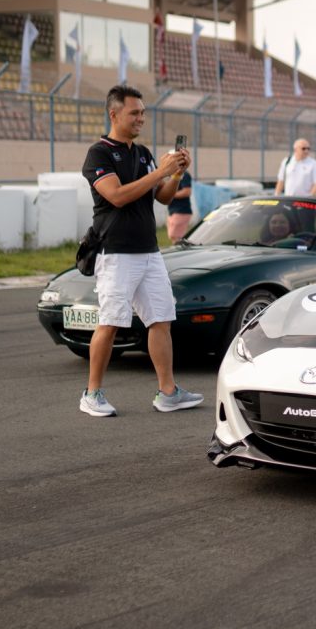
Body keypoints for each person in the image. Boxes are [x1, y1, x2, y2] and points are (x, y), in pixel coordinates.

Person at [78, 85, 204, 417]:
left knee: (161, 319)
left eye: (143, 113)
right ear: (114, 114)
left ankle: (168, 392)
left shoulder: (144, 153)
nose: (141, 119)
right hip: (116, 252)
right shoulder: (99, 154)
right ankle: (92, 393)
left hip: (149, 251)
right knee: (110, 322)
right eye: (134, 113)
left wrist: (176, 174)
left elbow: (163, 197)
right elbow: (117, 196)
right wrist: (161, 172)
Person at [166, 170, 194, 243]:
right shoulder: (172, 174)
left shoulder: (184, 174)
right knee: (173, 237)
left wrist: (170, 194)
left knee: (177, 237)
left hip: (181, 210)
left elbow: (187, 191)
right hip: (173, 210)